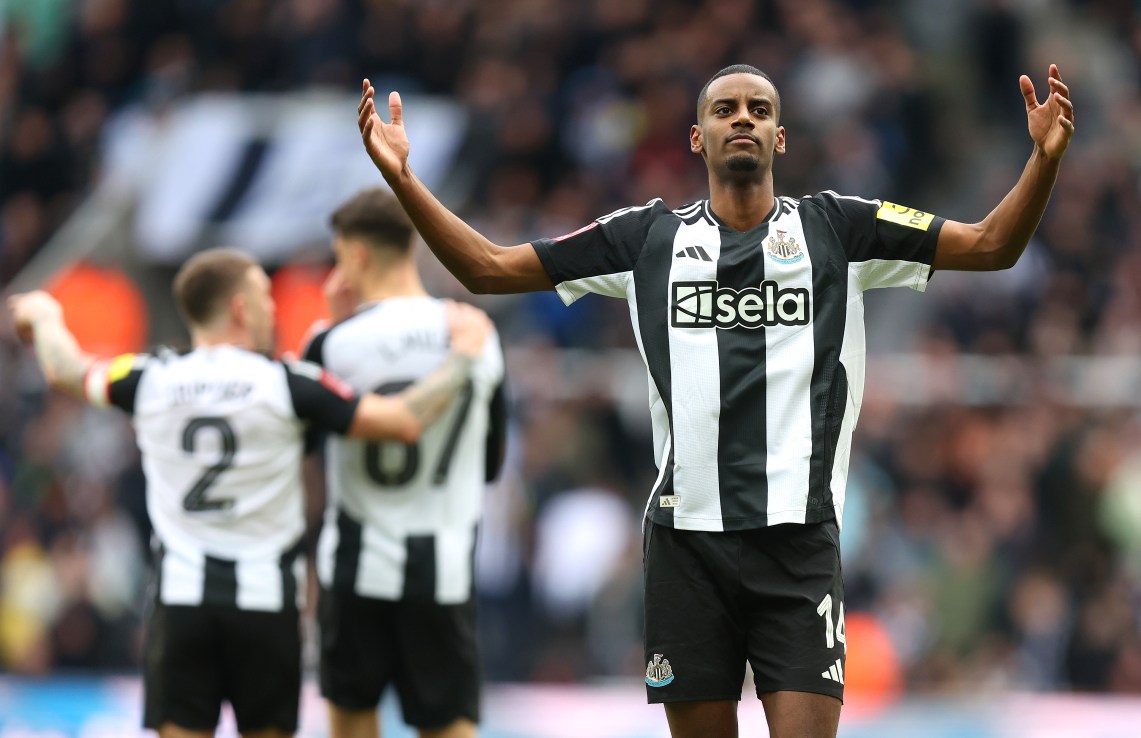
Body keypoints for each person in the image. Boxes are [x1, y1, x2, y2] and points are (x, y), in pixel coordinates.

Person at [354, 62, 1074, 738]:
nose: (742, 120)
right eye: (725, 110)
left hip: (799, 545)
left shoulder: (838, 229)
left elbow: (989, 246)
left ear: (779, 138)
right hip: (687, 547)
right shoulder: (643, 239)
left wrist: (1041, 160)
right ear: (696, 137)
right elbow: (487, 268)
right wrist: (403, 179)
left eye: (759, 111)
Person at [6, 247, 494, 738]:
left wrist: (44, 315)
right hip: (265, 606)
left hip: (181, 602)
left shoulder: (149, 377)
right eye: (264, 294)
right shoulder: (288, 384)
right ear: (240, 307)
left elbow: (65, 370)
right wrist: (463, 357)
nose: (273, 307)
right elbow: (403, 421)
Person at [301, 188, 507, 738]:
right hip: (443, 571)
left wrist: (331, 327)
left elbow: (309, 451)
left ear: (356, 256)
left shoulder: (331, 343)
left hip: (354, 569)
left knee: (350, 719)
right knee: (449, 726)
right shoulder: (476, 335)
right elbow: (490, 464)